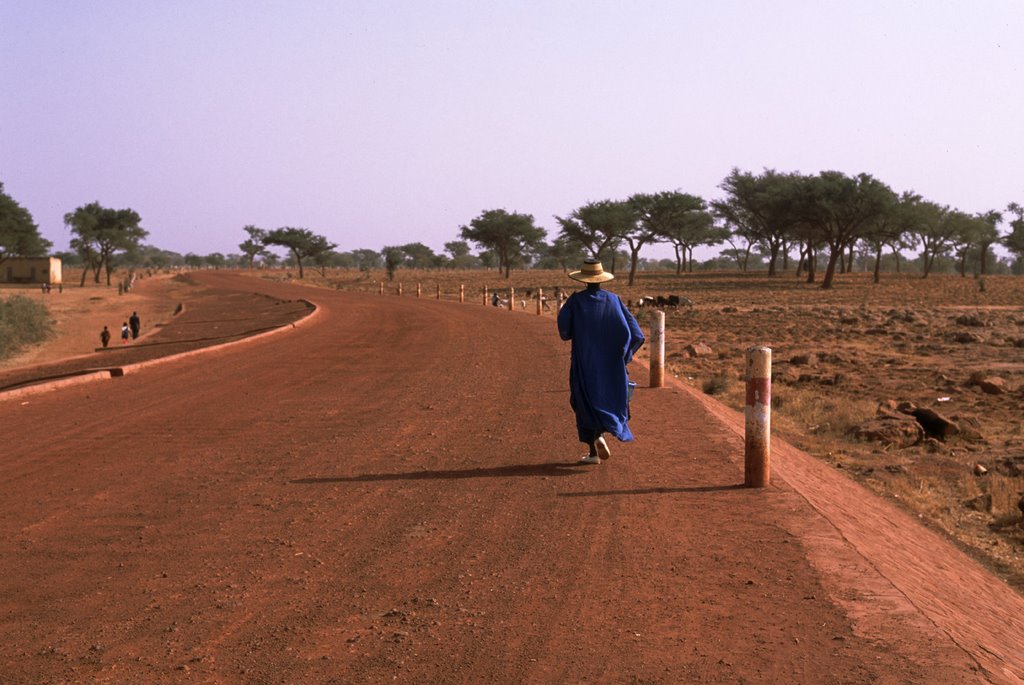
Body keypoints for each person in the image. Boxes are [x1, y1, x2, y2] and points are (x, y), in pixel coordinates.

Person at [557, 258, 645, 464]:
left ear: (583, 280)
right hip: (612, 364)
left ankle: (594, 447)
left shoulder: (576, 301)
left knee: (583, 400)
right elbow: (637, 334)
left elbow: (564, 331)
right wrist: (624, 356)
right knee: (610, 398)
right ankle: (602, 435)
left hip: (585, 361)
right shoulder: (614, 300)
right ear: (601, 279)